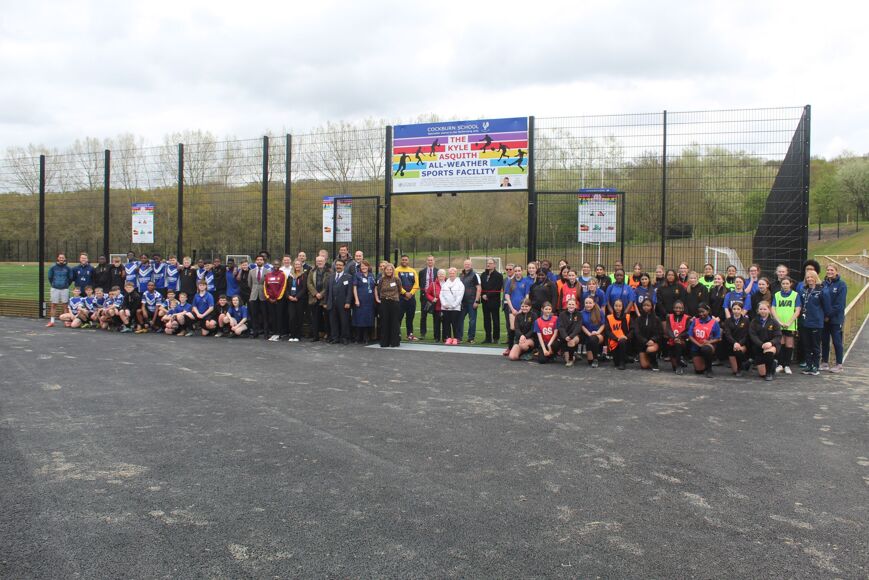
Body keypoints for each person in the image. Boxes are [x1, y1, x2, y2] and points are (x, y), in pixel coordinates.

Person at [772, 277, 801, 375]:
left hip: (790, 324)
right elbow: (773, 309)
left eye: (787, 283)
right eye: (783, 283)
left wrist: (789, 322)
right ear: (781, 284)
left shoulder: (795, 295)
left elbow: (797, 310)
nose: (785, 285)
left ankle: (787, 365)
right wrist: (778, 321)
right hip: (779, 324)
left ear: (790, 284)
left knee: (789, 344)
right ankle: (780, 364)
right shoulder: (777, 295)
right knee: (781, 343)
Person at [821, 264, 847, 373]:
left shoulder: (841, 285)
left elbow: (839, 304)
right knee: (824, 340)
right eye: (828, 270)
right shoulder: (823, 284)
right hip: (824, 319)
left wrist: (828, 315)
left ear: (836, 271)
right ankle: (824, 362)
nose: (829, 272)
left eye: (832, 270)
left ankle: (839, 364)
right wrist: (824, 315)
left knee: (837, 341)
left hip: (836, 319)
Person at [799, 270, 825, 376]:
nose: (809, 279)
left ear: (815, 278)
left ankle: (815, 366)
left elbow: (826, 306)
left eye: (811, 277)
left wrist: (823, 317)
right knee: (807, 345)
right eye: (808, 277)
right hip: (805, 322)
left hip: (816, 322)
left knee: (815, 345)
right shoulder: (803, 290)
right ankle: (809, 365)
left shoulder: (821, 290)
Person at [749, 301, 782, 381]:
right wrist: (761, 344)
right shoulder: (754, 322)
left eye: (765, 309)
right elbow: (753, 335)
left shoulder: (774, 322)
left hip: (772, 345)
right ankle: (773, 363)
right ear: (758, 310)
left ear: (769, 310)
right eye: (761, 309)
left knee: (768, 351)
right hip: (759, 346)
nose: (762, 311)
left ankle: (769, 374)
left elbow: (778, 336)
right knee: (762, 374)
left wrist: (771, 343)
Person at [688, 303, 721, 377]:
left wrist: (708, 342)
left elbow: (718, 338)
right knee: (699, 371)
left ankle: (709, 369)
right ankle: (703, 364)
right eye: (699, 312)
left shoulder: (714, 323)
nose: (701, 314)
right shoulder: (695, 321)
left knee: (705, 349)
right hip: (696, 346)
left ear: (708, 311)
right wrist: (699, 344)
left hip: (708, 346)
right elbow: (690, 336)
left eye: (703, 311)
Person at [327, 259, 353, 344]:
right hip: (332, 303)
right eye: (337, 265)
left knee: (344, 321)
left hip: (343, 303)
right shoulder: (331, 276)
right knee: (333, 321)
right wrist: (326, 302)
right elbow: (327, 290)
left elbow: (350, 291)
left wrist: (348, 302)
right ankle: (335, 338)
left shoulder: (348, 277)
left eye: (340, 265)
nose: (338, 266)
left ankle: (344, 338)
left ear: (344, 266)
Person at [375, 262, 401, 347]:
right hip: (384, 303)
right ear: (384, 270)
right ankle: (384, 342)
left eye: (390, 269)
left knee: (394, 322)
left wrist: (393, 296)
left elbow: (400, 290)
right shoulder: (381, 279)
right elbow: (379, 289)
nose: (389, 271)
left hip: (394, 302)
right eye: (387, 269)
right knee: (384, 321)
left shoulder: (397, 279)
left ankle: (394, 342)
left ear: (393, 270)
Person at [722, 301, 751, 376]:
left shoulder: (746, 320)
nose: (736, 311)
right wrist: (734, 343)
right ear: (731, 310)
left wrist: (739, 343)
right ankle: (745, 363)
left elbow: (746, 335)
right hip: (731, 344)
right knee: (734, 370)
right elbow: (727, 334)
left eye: (738, 309)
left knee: (738, 350)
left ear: (742, 310)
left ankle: (740, 369)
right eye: (734, 309)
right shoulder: (727, 321)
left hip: (742, 344)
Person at [632, 298, 662, 371]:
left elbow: (659, 333)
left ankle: (654, 362)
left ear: (651, 306)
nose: (646, 307)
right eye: (644, 305)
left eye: (648, 305)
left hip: (653, 343)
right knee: (644, 365)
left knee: (650, 349)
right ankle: (648, 359)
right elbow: (637, 333)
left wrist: (653, 340)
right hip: (642, 344)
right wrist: (645, 341)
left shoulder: (656, 319)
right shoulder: (638, 319)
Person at [395, 254, 420, 341]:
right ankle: (397, 334)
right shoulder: (396, 270)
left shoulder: (413, 271)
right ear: (400, 260)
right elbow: (397, 284)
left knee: (410, 317)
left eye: (406, 260)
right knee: (399, 317)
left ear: (408, 261)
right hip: (400, 298)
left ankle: (410, 334)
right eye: (403, 260)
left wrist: (411, 293)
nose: (404, 261)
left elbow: (416, 284)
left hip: (411, 298)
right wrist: (405, 293)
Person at [480, 258, 504, 344]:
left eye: (490, 263)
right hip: (485, 302)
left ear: (494, 265)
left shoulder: (499, 275)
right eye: (488, 263)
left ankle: (496, 338)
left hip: (494, 301)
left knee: (495, 320)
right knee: (486, 320)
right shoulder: (483, 275)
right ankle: (488, 338)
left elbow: (497, 288)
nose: (488, 264)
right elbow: (481, 287)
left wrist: (487, 295)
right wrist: (482, 295)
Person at [352, 260, 377, 344]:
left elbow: (374, 288)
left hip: (370, 301)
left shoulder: (371, 275)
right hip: (360, 300)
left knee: (368, 319)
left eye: (365, 266)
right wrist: (356, 299)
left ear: (368, 267)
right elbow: (354, 288)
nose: (364, 267)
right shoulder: (357, 275)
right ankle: (358, 337)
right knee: (359, 318)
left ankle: (366, 337)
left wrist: (376, 299)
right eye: (362, 266)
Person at [307, 255, 330, 341]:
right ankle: (315, 336)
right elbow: (309, 283)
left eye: (321, 261)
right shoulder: (312, 271)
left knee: (327, 318)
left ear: (324, 261)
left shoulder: (329, 271)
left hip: (325, 298)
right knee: (315, 318)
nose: (319, 262)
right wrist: (316, 293)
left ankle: (328, 335)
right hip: (314, 298)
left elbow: (329, 285)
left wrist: (322, 294)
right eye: (318, 261)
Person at [46, 253, 73, 327]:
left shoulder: (68, 268)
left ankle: (66, 321)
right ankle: (52, 321)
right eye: (60, 257)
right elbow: (50, 277)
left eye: (62, 258)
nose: (61, 259)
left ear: (65, 259)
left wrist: (66, 285)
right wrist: (54, 284)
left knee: (65, 305)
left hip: (65, 289)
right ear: (58, 258)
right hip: (55, 288)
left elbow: (70, 278)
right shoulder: (53, 267)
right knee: (53, 305)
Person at [439, 267, 465, 345]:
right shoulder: (445, 284)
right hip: (445, 308)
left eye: (453, 273)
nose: (451, 274)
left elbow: (460, 296)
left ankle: (456, 338)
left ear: (456, 274)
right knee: (446, 324)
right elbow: (441, 295)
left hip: (455, 308)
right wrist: (444, 304)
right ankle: (449, 338)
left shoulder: (460, 284)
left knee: (455, 324)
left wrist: (453, 305)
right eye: (450, 273)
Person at [665, 300, 691, 375]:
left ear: (683, 309)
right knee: (673, 366)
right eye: (676, 308)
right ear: (673, 308)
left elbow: (687, 331)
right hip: (672, 340)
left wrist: (679, 337)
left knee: (678, 344)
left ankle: (679, 366)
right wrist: (674, 338)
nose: (678, 309)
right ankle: (679, 362)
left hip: (682, 341)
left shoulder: (687, 318)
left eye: (680, 308)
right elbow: (668, 329)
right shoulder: (669, 316)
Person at [263, 262, 287, 341]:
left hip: (279, 300)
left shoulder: (282, 275)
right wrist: (268, 297)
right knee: (272, 317)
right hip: (270, 300)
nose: (276, 266)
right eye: (275, 264)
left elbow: (283, 287)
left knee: (279, 316)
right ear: (272, 266)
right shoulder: (268, 275)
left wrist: (277, 298)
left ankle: (279, 333)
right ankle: (274, 332)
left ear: (280, 266)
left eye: (277, 264)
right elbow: (265, 287)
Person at [605, 299, 632, 370]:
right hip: (614, 342)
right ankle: (625, 358)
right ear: (613, 306)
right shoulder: (609, 317)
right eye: (616, 306)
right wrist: (616, 338)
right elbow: (607, 331)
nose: (618, 307)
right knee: (616, 363)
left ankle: (622, 362)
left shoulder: (628, 317)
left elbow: (632, 330)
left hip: (625, 341)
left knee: (622, 341)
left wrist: (626, 337)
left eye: (620, 306)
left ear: (622, 307)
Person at [459, 260, 481, 343]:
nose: (467, 265)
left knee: (472, 321)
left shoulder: (475, 275)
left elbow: (479, 288)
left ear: (471, 265)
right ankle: (459, 337)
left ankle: (471, 338)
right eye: (465, 264)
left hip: (472, 301)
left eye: (468, 264)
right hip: (462, 302)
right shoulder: (461, 275)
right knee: (460, 319)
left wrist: (477, 301)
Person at [285, 260, 307, 342]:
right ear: (294, 265)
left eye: (298, 264)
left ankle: (298, 335)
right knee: (292, 318)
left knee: (299, 318)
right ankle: (292, 335)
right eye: (296, 264)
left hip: (299, 300)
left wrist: (297, 297)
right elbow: (286, 288)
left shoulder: (304, 275)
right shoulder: (290, 275)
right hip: (291, 299)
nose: (297, 266)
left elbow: (304, 288)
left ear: (301, 266)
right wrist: (288, 296)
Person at [580, 296, 605, 367]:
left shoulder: (600, 312)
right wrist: (589, 333)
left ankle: (596, 360)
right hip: (587, 334)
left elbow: (603, 324)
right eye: (586, 303)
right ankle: (599, 357)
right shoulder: (581, 313)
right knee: (589, 361)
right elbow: (582, 326)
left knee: (593, 339)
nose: (588, 304)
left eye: (590, 303)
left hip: (598, 334)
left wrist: (597, 332)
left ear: (594, 303)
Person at [247, 255, 268, 339]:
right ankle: (255, 333)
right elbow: (249, 284)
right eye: (258, 259)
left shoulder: (267, 271)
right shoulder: (251, 271)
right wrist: (254, 290)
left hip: (264, 295)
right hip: (254, 295)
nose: (259, 261)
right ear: (255, 261)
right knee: (254, 315)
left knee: (265, 315)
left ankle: (266, 333)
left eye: (261, 260)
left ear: (263, 261)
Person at [557, 297, 582, 366]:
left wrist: (571, 336)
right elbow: (561, 327)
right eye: (569, 304)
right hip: (564, 337)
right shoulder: (562, 314)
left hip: (574, 336)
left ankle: (571, 360)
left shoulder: (579, 314)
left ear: (576, 306)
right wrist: (565, 336)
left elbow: (578, 327)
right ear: (567, 305)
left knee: (571, 342)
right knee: (566, 360)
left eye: (573, 304)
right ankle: (573, 355)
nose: (571, 306)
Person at [418, 255, 437, 339]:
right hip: (425, 296)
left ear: (434, 261)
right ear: (426, 261)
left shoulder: (438, 271)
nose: (430, 261)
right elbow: (420, 283)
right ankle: (423, 333)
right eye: (428, 260)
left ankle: (436, 335)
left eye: (431, 260)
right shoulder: (422, 272)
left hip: (435, 297)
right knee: (423, 315)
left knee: (435, 316)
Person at [425, 269, 446, 343]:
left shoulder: (448, 283)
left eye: (442, 274)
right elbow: (427, 293)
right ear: (437, 275)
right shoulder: (433, 284)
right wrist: (432, 298)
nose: (441, 275)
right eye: (440, 274)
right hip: (436, 307)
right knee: (436, 323)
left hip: (446, 307)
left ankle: (445, 338)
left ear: (445, 275)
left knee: (445, 323)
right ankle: (437, 338)